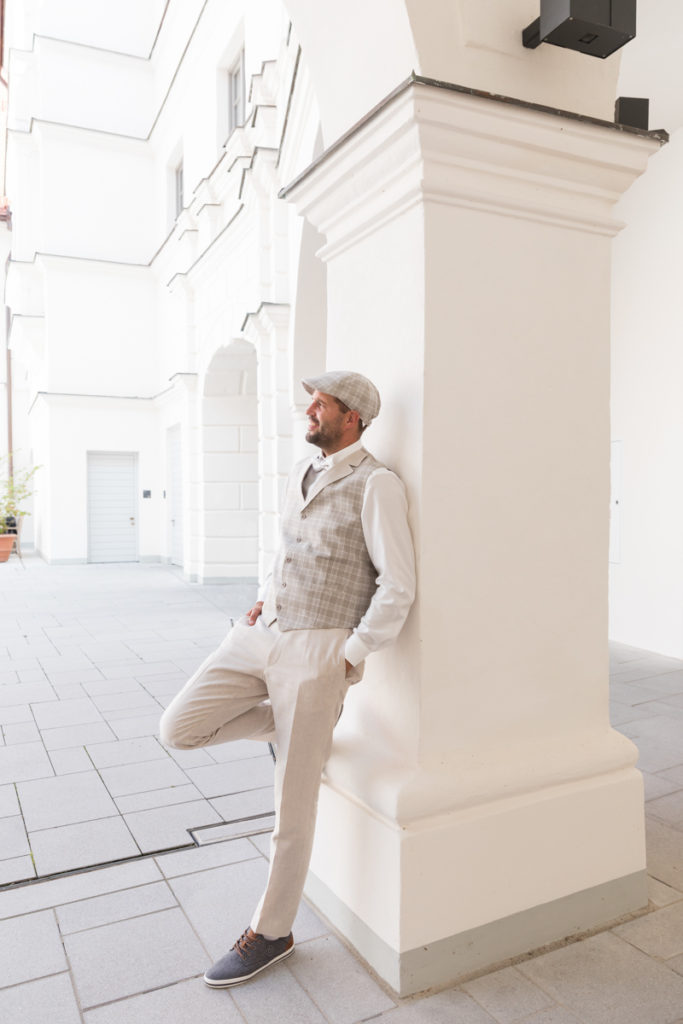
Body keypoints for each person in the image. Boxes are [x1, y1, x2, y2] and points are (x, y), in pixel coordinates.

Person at [159, 370, 415, 987]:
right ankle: (296, 725)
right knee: (180, 727)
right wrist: (262, 596)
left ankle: (271, 931)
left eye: (320, 402)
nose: (310, 408)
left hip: (318, 650)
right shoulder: (301, 474)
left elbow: (399, 584)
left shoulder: (377, 484)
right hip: (262, 634)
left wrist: (349, 656)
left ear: (351, 416)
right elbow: (283, 553)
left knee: (290, 809)